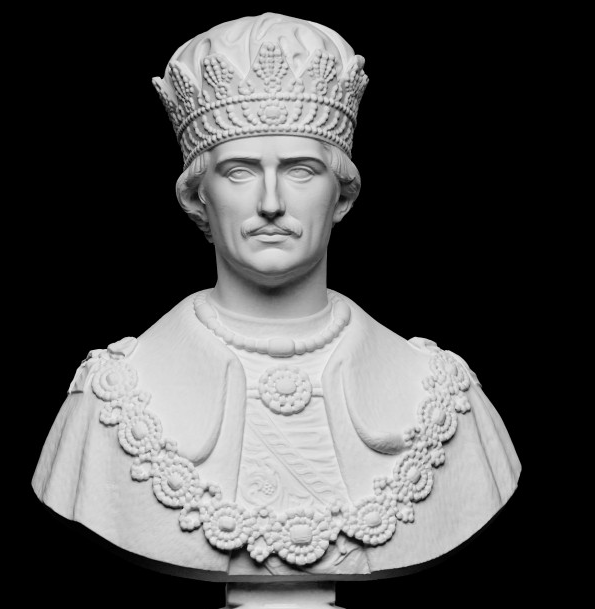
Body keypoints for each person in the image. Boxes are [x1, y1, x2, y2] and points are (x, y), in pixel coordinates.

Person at [32, 13, 520, 578]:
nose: (270, 203)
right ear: (197, 196)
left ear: (342, 196)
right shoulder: (112, 401)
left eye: (300, 171)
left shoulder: (444, 399)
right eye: (240, 172)